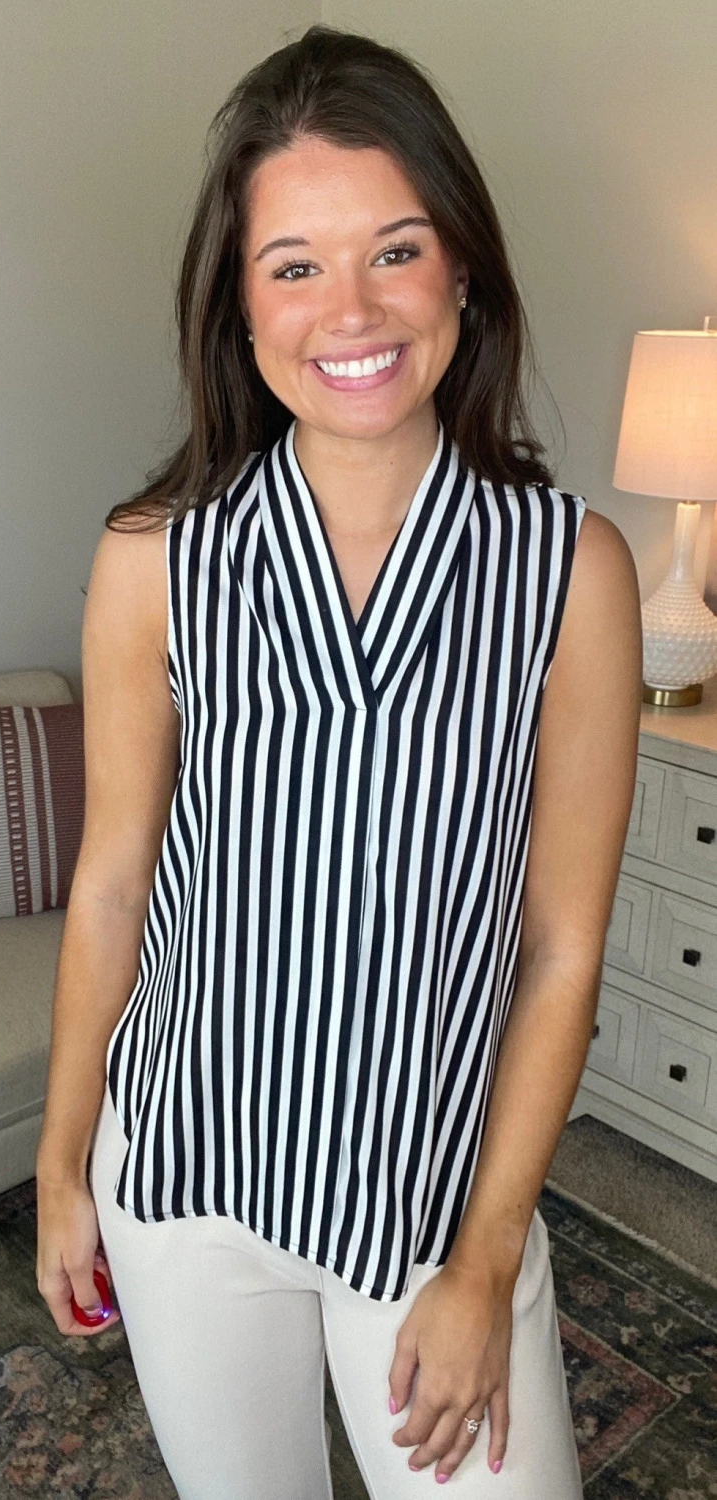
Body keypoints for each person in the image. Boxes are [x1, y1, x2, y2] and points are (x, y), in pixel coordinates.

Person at [34, 26, 640, 1499]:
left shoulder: (571, 573)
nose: (350, 310)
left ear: (462, 271)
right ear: (240, 305)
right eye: (294, 265)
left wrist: (487, 1259)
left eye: (397, 251)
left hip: (435, 1202)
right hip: (184, 1168)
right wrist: (61, 1164)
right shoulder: (156, 557)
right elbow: (112, 884)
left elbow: (561, 946)